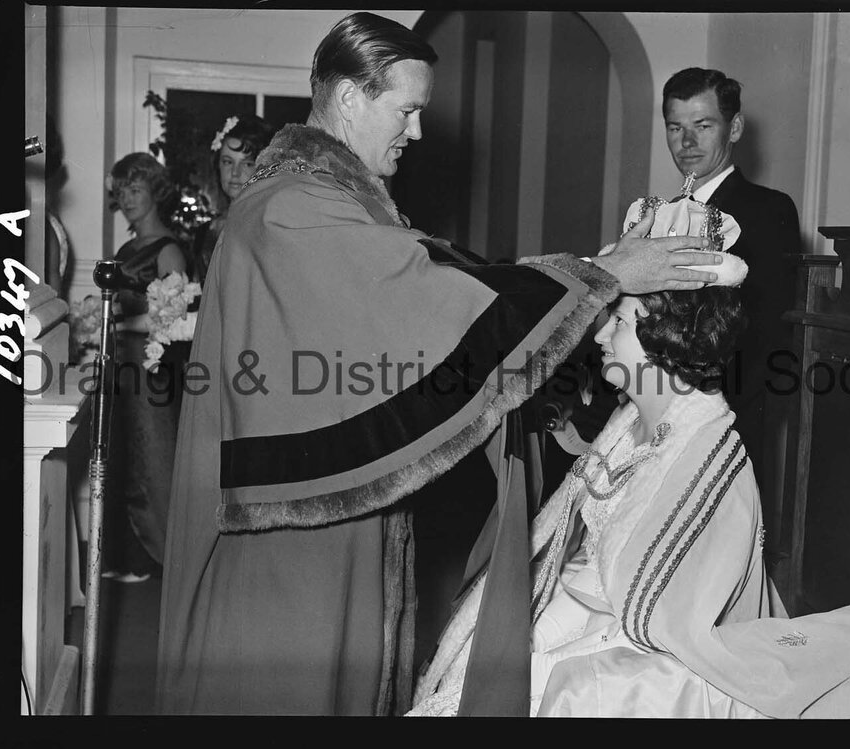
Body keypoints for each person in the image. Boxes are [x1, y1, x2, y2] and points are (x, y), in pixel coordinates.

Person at [155, 12, 724, 716]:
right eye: (408, 110)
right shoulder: (291, 210)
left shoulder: (324, 203)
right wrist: (603, 274)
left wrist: (561, 349)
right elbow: (431, 305)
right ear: (350, 97)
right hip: (288, 550)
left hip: (325, 521)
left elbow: (445, 280)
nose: (417, 133)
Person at [409, 200, 850, 718]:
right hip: (593, 620)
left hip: (654, 659)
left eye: (619, 322)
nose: (599, 334)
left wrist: (539, 654)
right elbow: (582, 569)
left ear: (663, 334)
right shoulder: (629, 425)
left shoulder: (709, 458)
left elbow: (657, 626)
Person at [662, 67, 802, 564]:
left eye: (703, 125)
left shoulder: (767, 209)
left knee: (719, 549)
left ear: (734, 128)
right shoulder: (657, 212)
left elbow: (767, 325)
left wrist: (709, 398)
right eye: (676, 127)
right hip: (657, 400)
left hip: (727, 404)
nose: (688, 141)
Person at [103, 152, 191, 583]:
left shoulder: (169, 249)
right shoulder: (125, 249)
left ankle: (163, 556)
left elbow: (171, 322)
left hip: (153, 369)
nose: (126, 197)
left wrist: (115, 321)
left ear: (155, 192)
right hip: (123, 364)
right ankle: (129, 557)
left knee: (154, 458)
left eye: (135, 188)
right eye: (121, 189)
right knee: (123, 455)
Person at [192, 115, 276, 283]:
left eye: (247, 164)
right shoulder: (205, 232)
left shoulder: (272, 229)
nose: (235, 173)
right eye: (228, 162)